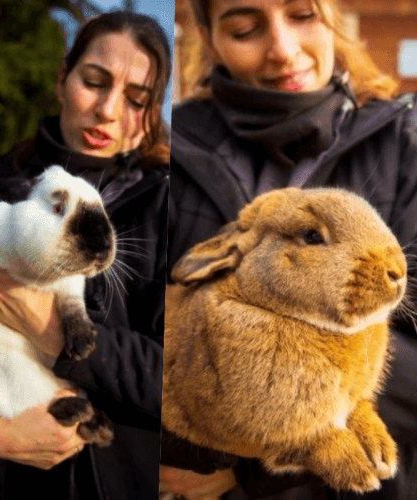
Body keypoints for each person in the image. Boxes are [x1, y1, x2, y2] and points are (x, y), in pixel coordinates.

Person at [163, 0, 417, 497]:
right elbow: (142, 340)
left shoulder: (400, 144)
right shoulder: (171, 146)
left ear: (333, 14)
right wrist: (195, 458)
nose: (282, 50)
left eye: (301, 15)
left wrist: (251, 464)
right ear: (207, 34)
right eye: (245, 29)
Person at [0, 10, 170, 499]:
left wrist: (58, 334)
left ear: (151, 115)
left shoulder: (166, 208)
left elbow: (180, 378)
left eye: (136, 99)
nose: (107, 110)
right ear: (62, 80)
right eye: (94, 82)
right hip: (1, 480)